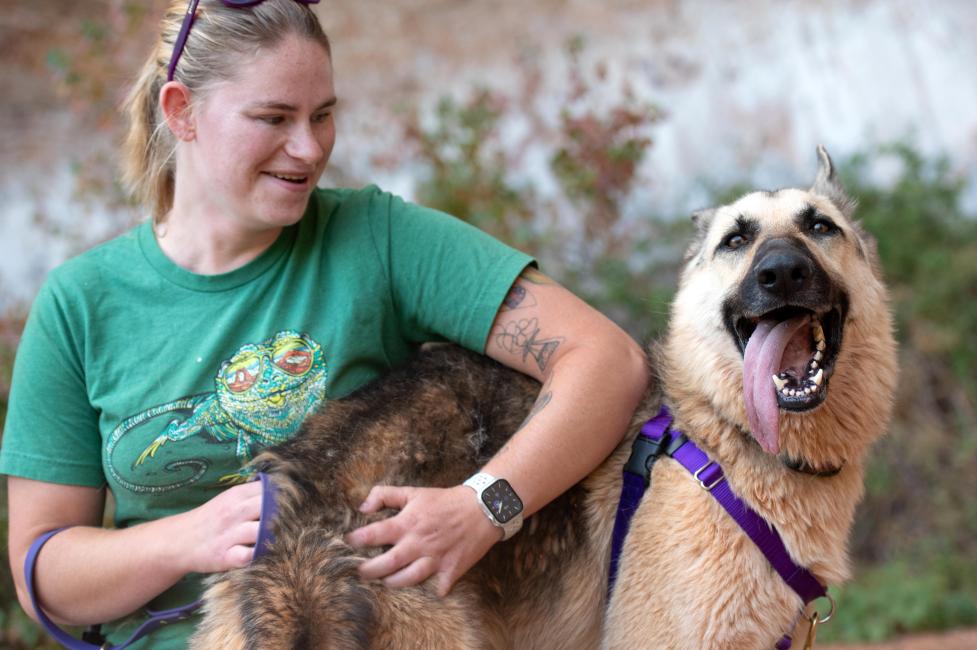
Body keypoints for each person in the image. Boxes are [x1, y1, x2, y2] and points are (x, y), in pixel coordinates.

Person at [0, 1, 649, 647]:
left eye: (324, 115)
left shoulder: (378, 239)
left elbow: (604, 360)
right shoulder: (80, 303)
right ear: (181, 112)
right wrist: (188, 538)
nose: (309, 148)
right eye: (273, 118)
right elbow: (43, 577)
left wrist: (485, 505)